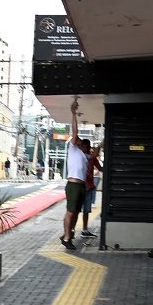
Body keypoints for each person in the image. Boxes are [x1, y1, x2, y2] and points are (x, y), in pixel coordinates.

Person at [60, 101, 90, 250]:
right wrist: (73, 113)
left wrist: (100, 145)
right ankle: (66, 238)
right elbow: (75, 132)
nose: (78, 140)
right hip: (73, 184)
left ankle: (69, 233)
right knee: (71, 211)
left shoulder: (84, 155)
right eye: (78, 140)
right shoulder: (73, 149)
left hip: (81, 185)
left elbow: (94, 154)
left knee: (76, 211)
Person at [80, 144, 104, 238]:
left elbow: (100, 168)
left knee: (86, 209)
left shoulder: (91, 158)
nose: (87, 149)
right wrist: (99, 146)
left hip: (88, 186)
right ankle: (72, 230)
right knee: (76, 210)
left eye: (87, 147)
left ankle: (84, 229)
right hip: (80, 185)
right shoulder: (80, 157)